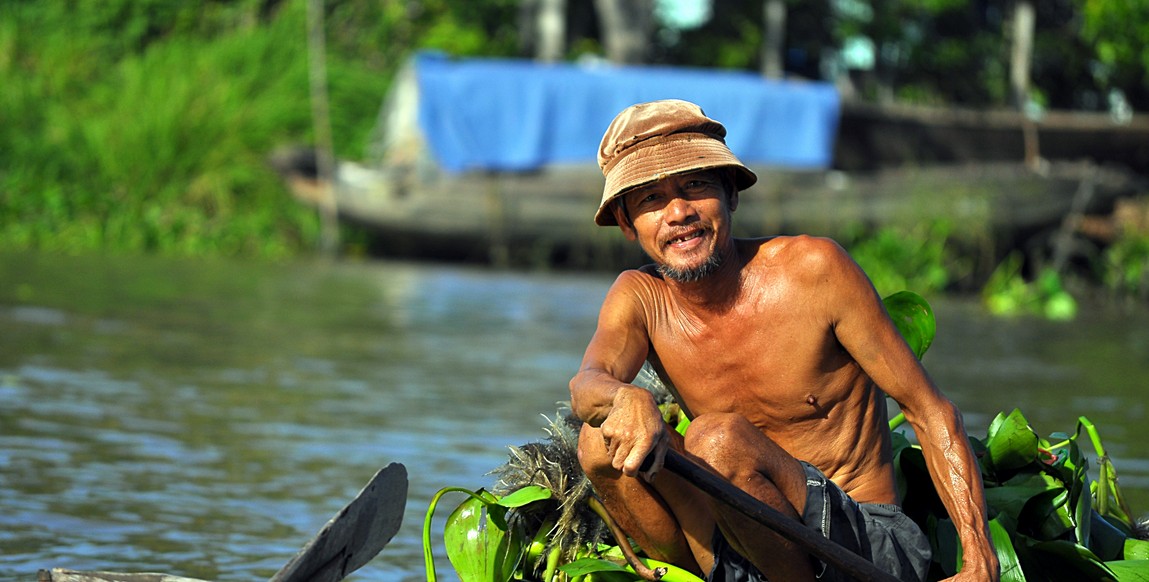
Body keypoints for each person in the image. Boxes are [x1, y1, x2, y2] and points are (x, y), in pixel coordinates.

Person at [569, 99, 999, 582]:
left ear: (731, 194)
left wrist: (979, 559)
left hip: (857, 548)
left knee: (718, 441)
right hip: (740, 544)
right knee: (596, 442)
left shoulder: (814, 271)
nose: (678, 213)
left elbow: (930, 410)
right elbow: (587, 384)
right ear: (627, 224)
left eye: (695, 186)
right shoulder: (640, 298)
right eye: (650, 199)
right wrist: (625, 395)